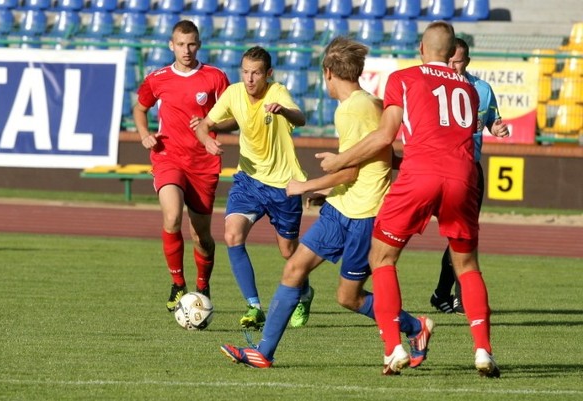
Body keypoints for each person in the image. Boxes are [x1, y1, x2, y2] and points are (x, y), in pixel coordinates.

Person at [218, 37, 434, 369]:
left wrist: (307, 185)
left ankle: (415, 327)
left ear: (328, 72)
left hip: (364, 217)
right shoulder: (367, 104)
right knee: (294, 268)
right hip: (341, 209)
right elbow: (377, 157)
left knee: (349, 297)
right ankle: (264, 352)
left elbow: (347, 170)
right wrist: (328, 192)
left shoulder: (352, 110)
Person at [319, 21, 500, 378]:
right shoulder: (469, 87)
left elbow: (386, 136)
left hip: (420, 175)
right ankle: (483, 351)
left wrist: (339, 160)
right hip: (464, 176)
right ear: (452, 53)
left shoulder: (403, 79)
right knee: (467, 267)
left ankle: (393, 348)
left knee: (382, 257)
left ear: (421, 48)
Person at [195, 46, 313, 330]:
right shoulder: (234, 92)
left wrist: (283, 110)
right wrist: (207, 140)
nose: (249, 79)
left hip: (283, 186)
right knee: (232, 235)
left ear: (268, 74)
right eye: (245, 72)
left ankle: (305, 292)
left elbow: (301, 118)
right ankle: (254, 306)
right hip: (248, 180)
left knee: (287, 251)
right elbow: (204, 124)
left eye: (256, 73)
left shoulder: (277, 92)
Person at [133, 20, 233, 312]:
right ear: (171, 45)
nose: (186, 50)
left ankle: (202, 286)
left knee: (201, 235)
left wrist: (211, 126)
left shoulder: (215, 77)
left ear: (198, 44)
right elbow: (140, 108)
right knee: (172, 215)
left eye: (191, 44)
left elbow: (233, 118)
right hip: (168, 157)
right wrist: (144, 134)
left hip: (203, 162)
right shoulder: (158, 78)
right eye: (180, 44)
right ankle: (178, 284)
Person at [430, 38, 510, 315]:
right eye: (449, 60)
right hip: (436, 169)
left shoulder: (482, 89)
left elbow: (493, 122)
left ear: (468, 60)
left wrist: (497, 129)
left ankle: (448, 295)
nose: (454, 66)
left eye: (459, 60)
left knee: (463, 234)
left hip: (470, 170)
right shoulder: (434, 89)